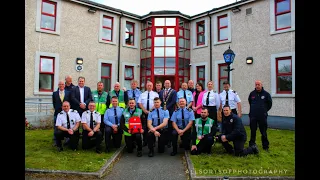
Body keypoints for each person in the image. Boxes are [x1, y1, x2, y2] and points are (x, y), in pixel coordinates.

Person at [248, 80, 272, 151]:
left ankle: (265, 146)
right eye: (256, 85)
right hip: (253, 116)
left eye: (258, 84)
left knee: (263, 131)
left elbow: (269, 104)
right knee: (253, 131)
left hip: (262, 116)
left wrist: (264, 111)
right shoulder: (252, 94)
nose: (257, 86)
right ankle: (252, 145)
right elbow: (250, 102)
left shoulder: (266, 94)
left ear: (261, 85)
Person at [138, 81, 159, 146]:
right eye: (148, 85)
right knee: (144, 127)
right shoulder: (142, 94)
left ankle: (153, 141)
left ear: (152, 86)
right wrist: (144, 110)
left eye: (150, 85)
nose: (149, 86)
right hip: (144, 113)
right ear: (146, 86)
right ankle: (145, 140)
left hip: (152, 112)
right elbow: (139, 103)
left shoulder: (155, 94)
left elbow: (157, 102)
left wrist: (150, 110)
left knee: (152, 126)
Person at [52, 80, 71, 146]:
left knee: (67, 125)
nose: (61, 86)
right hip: (57, 113)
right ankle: (55, 140)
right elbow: (54, 103)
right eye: (60, 84)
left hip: (66, 113)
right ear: (58, 85)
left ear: (64, 85)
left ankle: (67, 139)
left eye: (62, 84)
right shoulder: (54, 93)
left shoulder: (68, 93)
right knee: (56, 127)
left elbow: (69, 102)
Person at [159, 80, 177, 148]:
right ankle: (164, 141)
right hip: (162, 112)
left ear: (170, 84)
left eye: (168, 83)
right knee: (163, 126)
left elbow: (173, 101)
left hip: (170, 111)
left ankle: (169, 141)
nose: (167, 84)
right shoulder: (161, 92)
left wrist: (166, 108)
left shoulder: (174, 92)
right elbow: (160, 100)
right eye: (166, 83)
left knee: (169, 126)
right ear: (164, 84)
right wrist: (162, 108)